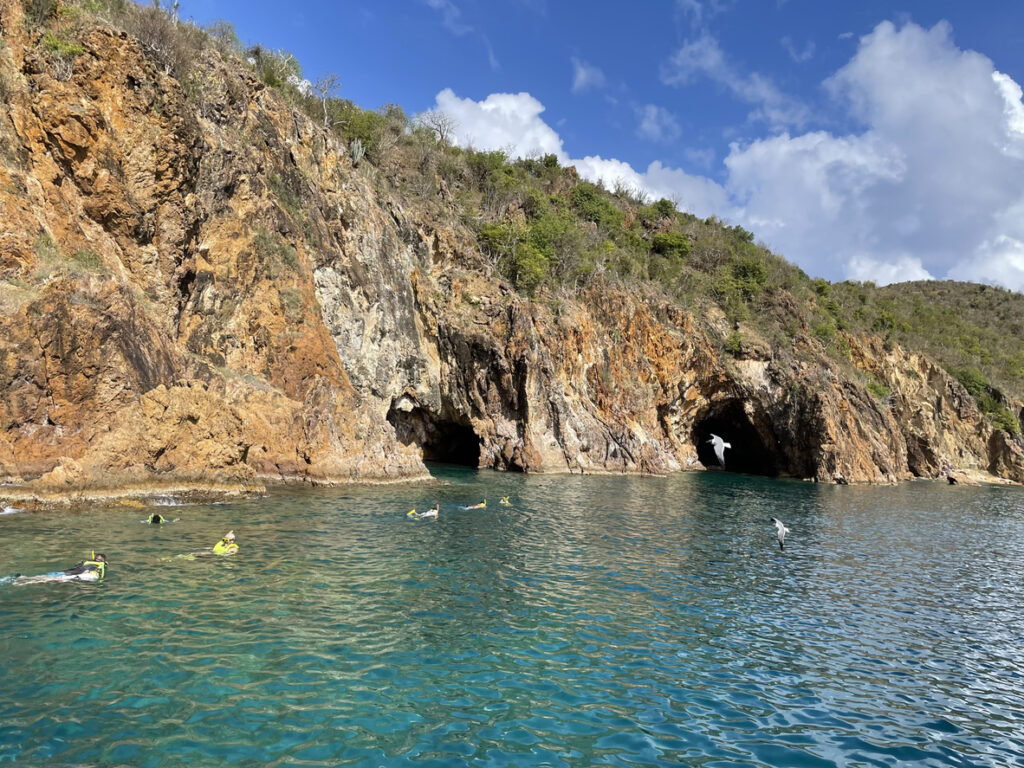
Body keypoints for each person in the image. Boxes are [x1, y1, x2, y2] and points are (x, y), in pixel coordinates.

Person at [9, 552, 107, 585]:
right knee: (49, 577)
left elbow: (84, 570)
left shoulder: (95, 565)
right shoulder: (97, 565)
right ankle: (24, 579)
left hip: (78, 575)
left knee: (51, 577)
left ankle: (25, 581)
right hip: (76, 574)